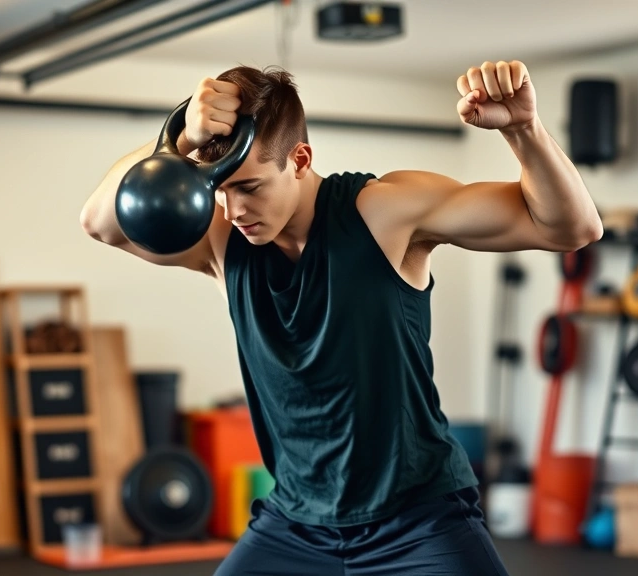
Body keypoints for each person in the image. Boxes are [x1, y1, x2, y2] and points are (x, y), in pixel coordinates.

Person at [81, 61, 602, 575]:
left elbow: (570, 228)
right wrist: (176, 141)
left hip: (417, 519)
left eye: (250, 186)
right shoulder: (224, 241)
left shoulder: (382, 213)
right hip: (296, 522)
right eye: (220, 190)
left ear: (301, 159)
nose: (234, 210)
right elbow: (101, 222)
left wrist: (523, 129)